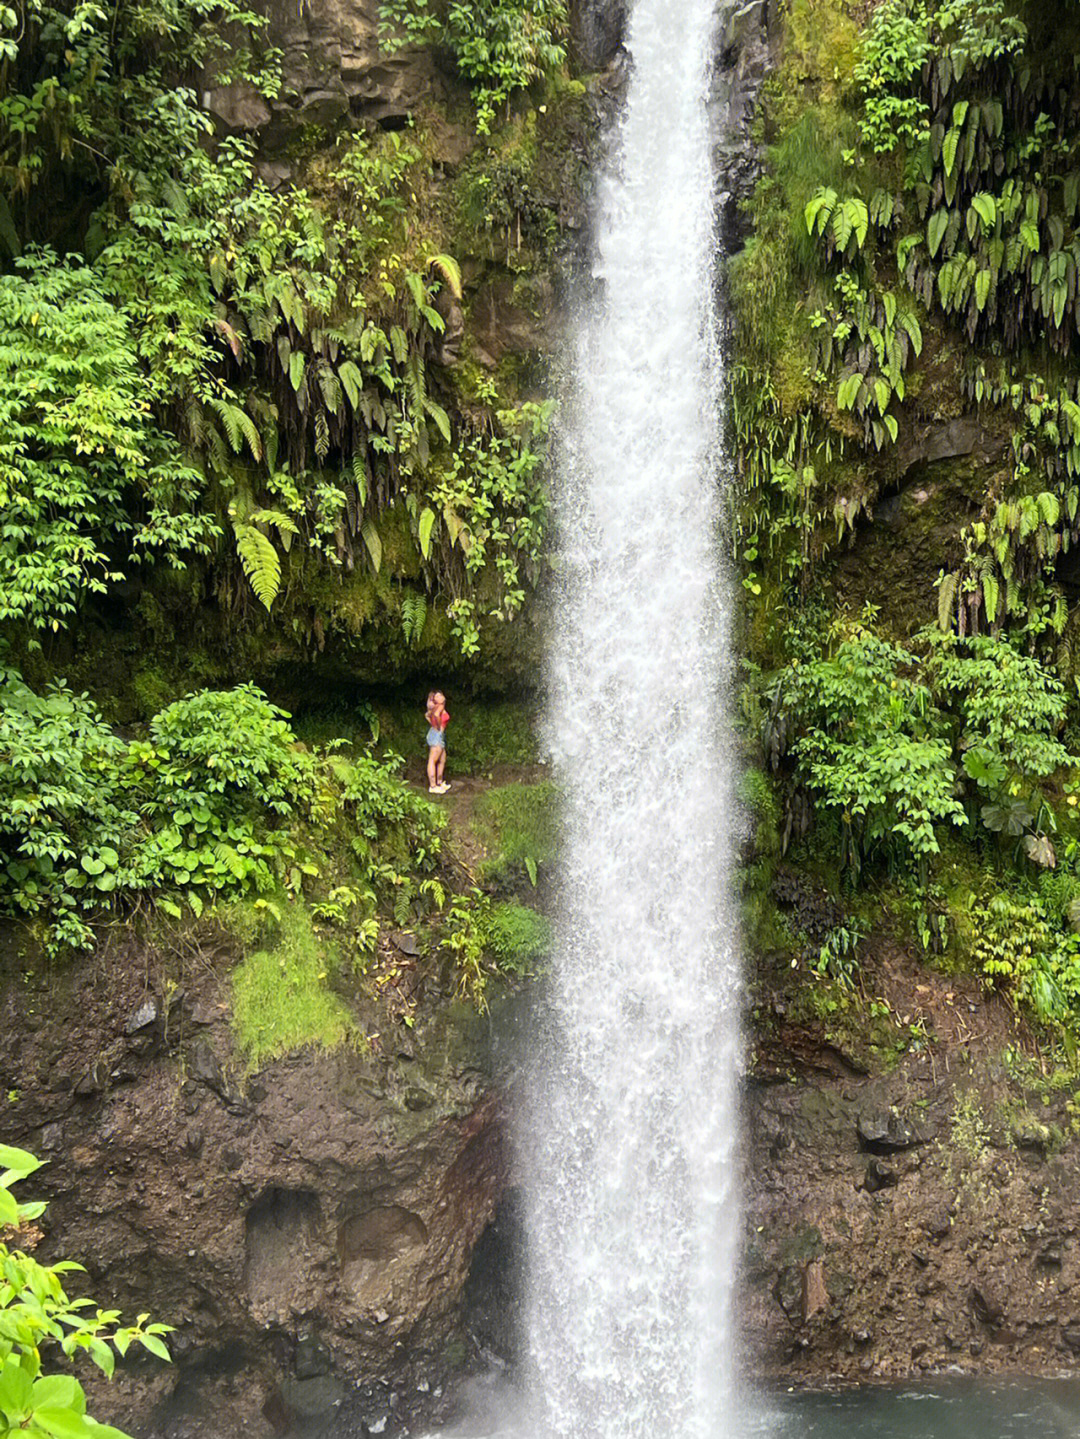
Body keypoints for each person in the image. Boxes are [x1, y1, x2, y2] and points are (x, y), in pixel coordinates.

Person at [425, 690, 451, 794]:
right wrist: (438, 727)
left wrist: (433, 724)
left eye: (441, 695)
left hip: (437, 734)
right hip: (437, 734)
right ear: (435, 700)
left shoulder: (437, 707)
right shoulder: (439, 707)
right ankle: (433, 786)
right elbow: (435, 715)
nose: (440, 697)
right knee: (433, 760)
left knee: (442, 758)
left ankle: (440, 782)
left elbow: (427, 715)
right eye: (437, 696)